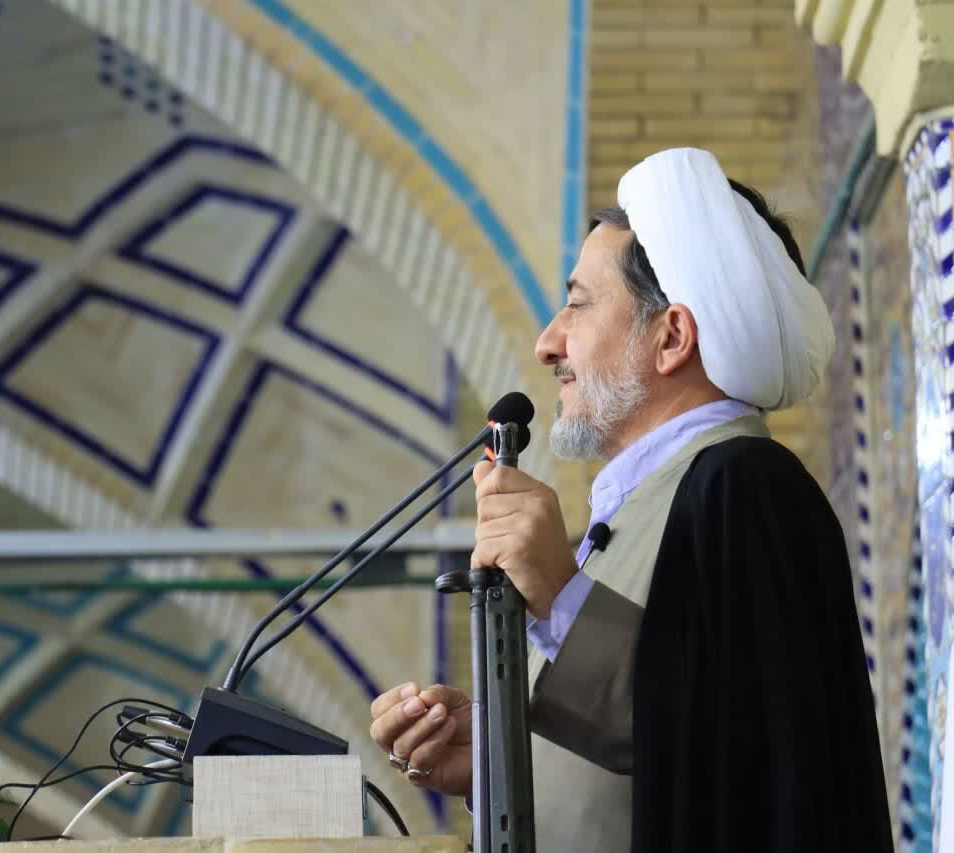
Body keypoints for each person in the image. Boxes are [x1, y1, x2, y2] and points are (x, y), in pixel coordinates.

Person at [369, 148, 892, 852]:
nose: (548, 343)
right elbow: (655, 745)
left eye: (578, 304)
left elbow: (736, 756)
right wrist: (498, 757)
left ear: (671, 336)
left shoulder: (745, 489)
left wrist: (559, 592)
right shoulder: (660, 500)